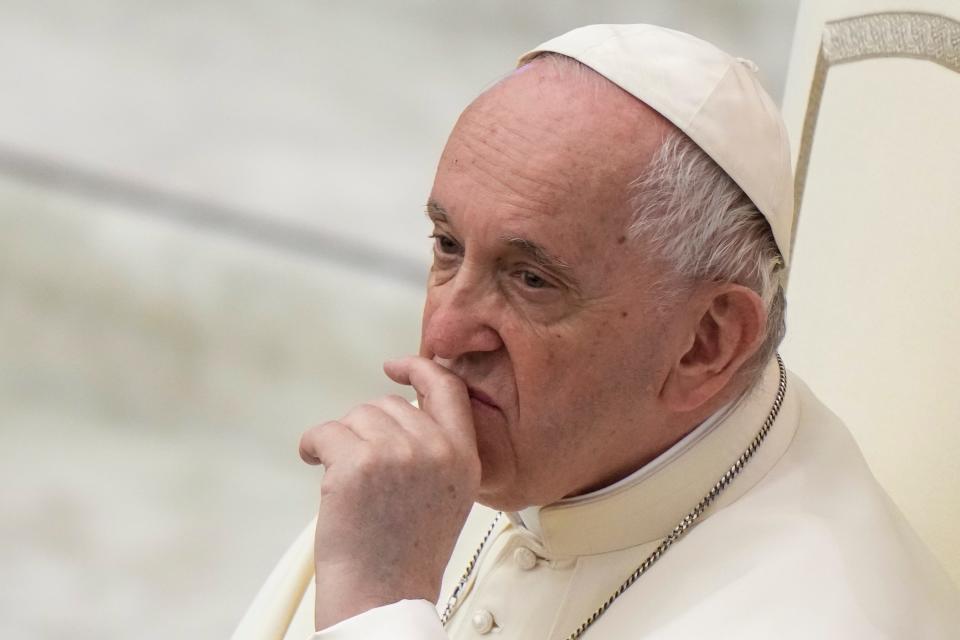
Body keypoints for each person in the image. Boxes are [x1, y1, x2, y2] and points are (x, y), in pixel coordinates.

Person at [232, 24, 960, 639]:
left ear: (706, 343)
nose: (445, 334)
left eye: (531, 280)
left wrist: (378, 603)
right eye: (447, 247)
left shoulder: (818, 619)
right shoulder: (438, 485)